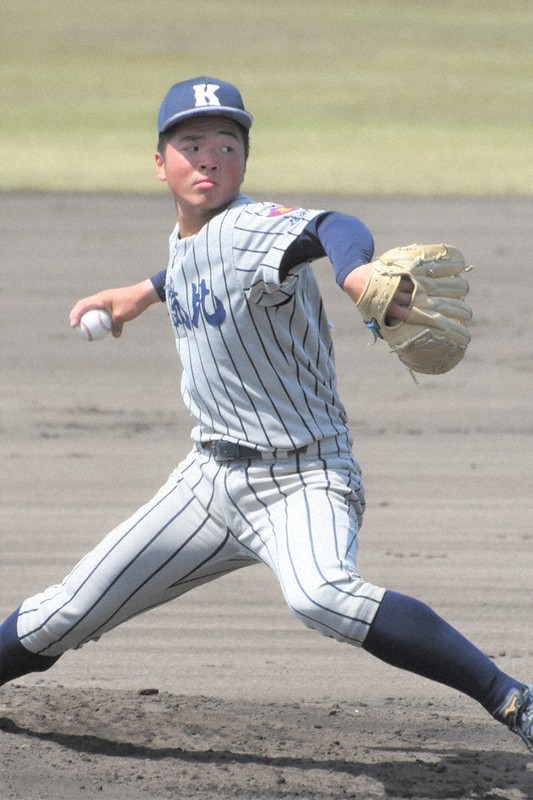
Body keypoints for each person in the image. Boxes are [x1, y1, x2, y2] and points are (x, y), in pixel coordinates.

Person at [1, 76, 531, 751]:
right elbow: (197, 266)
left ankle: (512, 700)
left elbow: (329, 226)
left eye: (227, 145)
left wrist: (351, 272)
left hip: (303, 479)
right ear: (160, 163)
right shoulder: (191, 238)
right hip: (206, 485)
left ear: (244, 162)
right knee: (64, 613)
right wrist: (143, 291)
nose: (210, 158)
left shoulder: (254, 226)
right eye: (190, 145)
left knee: (322, 595)